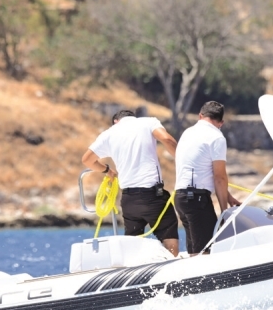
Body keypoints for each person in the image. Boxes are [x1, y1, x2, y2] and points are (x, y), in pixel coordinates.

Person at [82, 109, 180, 256]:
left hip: (129, 200)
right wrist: (183, 160)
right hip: (153, 196)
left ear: (116, 121)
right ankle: (169, 265)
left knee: (132, 246)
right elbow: (166, 139)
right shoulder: (148, 122)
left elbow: (87, 160)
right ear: (133, 117)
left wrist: (107, 170)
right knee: (169, 240)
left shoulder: (108, 133)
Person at [173, 101, 240, 256]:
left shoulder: (187, 132)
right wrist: (225, 212)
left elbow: (199, 168)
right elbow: (219, 177)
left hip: (181, 198)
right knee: (206, 253)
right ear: (221, 123)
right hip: (196, 200)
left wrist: (228, 196)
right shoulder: (216, 137)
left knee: (196, 252)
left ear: (200, 116)